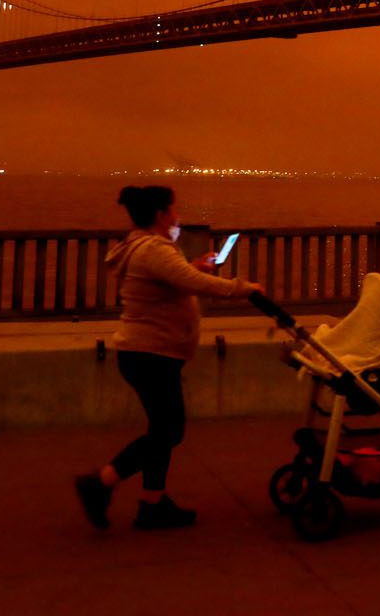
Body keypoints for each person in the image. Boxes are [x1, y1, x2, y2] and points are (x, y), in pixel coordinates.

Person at [74, 184, 261, 530]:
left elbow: (178, 279)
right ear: (161, 215)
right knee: (168, 431)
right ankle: (101, 482)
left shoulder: (147, 248)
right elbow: (196, 285)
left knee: (163, 429)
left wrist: (194, 266)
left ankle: (152, 503)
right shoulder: (154, 250)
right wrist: (243, 288)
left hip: (149, 353)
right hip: (149, 354)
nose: (178, 217)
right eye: (174, 210)